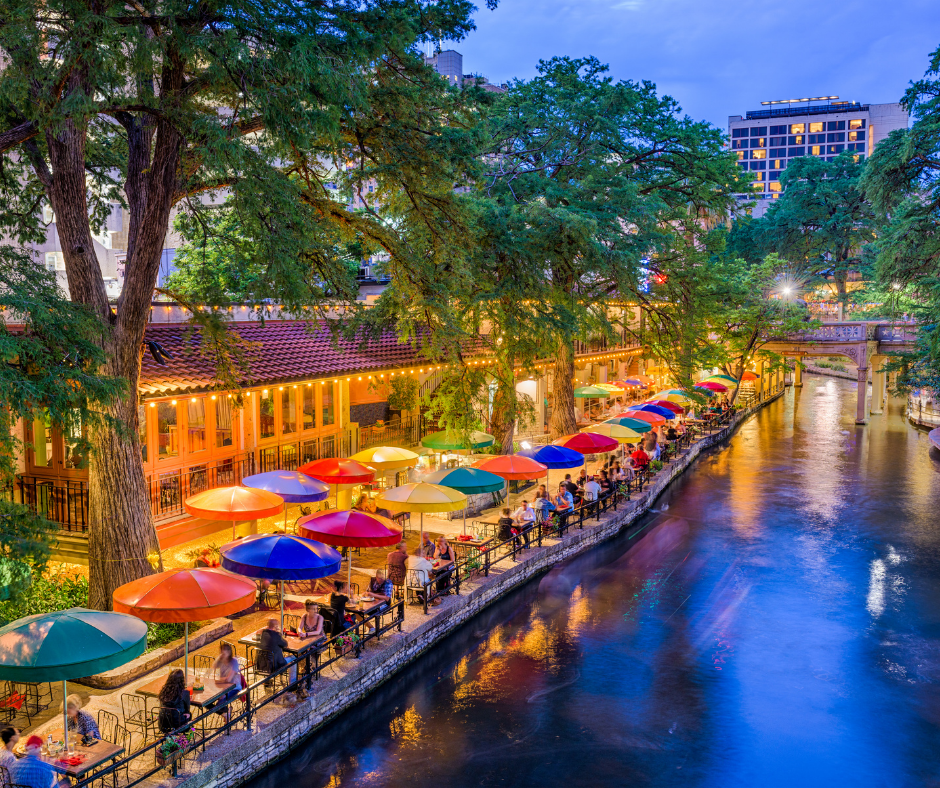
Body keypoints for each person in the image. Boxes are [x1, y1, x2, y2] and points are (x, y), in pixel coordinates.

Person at [209, 642, 242, 721]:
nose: (222, 655)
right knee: (207, 702)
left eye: (224, 653)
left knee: (219, 705)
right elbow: (211, 670)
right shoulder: (220, 659)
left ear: (229, 652)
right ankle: (226, 713)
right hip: (221, 687)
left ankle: (226, 713)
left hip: (234, 688)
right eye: (221, 653)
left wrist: (218, 678)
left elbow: (228, 679)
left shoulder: (234, 662)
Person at [157, 669, 191, 733]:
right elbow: (187, 710)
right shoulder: (184, 693)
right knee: (189, 715)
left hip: (163, 724)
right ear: (182, 680)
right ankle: (185, 737)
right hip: (178, 725)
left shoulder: (163, 692)